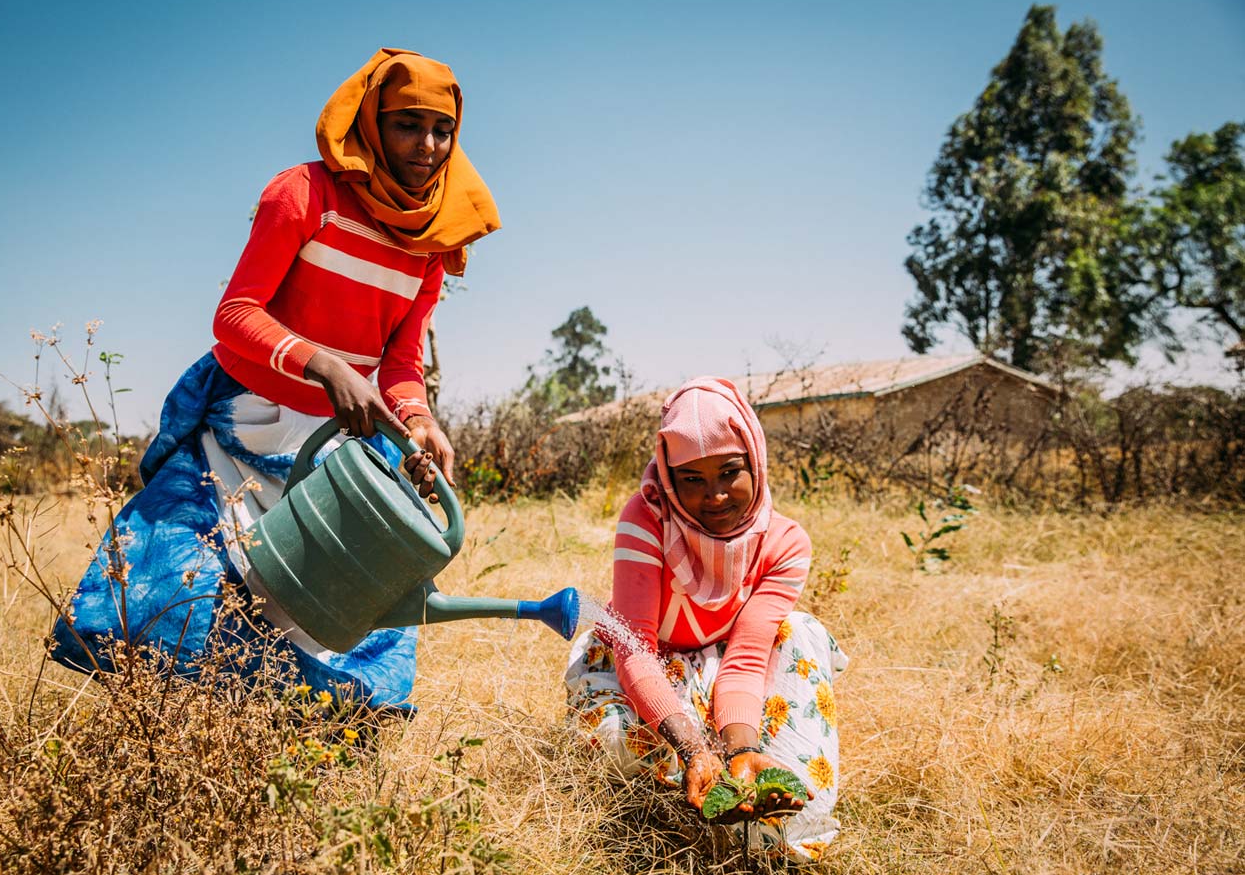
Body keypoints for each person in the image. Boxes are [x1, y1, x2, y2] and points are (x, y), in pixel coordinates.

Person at [51, 48, 500, 714]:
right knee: (171, 586)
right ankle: (171, 744)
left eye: (441, 130)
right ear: (371, 121)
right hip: (242, 420)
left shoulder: (433, 242)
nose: (427, 145)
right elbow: (235, 316)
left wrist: (418, 422)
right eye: (408, 124)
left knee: (334, 619)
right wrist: (325, 365)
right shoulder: (302, 194)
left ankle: (285, 754)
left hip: (338, 449)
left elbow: (400, 364)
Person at [565, 377, 848, 862]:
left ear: (755, 463)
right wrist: (694, 748)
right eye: (692, 479)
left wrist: (739, 751)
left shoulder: (784, 543)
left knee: (798, 632)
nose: (715, 496)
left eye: (729, 471)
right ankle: (676, 808)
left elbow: (746, 658)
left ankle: (753, 820)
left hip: (731, 673)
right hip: (644, 669)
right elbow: (636, 649)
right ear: (669, 478)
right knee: (613, 738)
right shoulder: (647, 516)